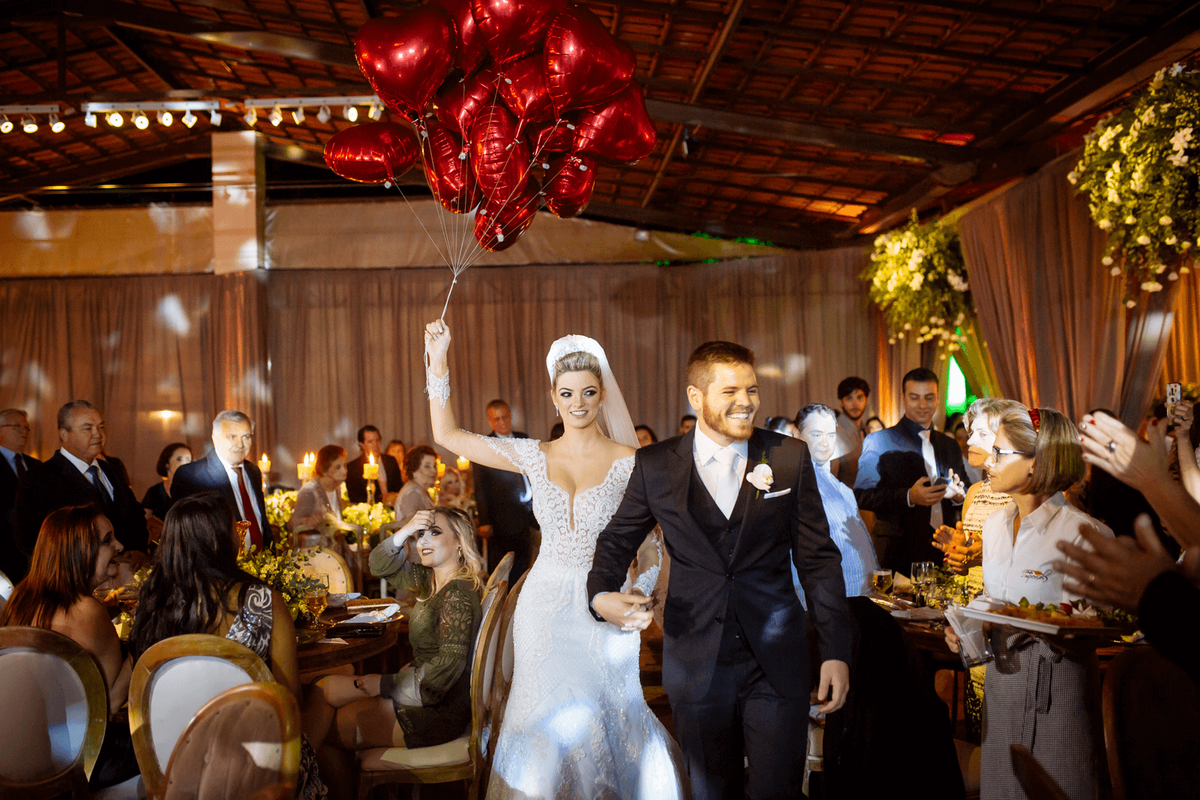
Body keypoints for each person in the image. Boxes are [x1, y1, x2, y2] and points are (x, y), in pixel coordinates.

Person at [424, 320, 687, 799]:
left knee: (602, 716)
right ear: (554, 398)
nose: (578, 404)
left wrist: (642, 592)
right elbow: (447, 433)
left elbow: (664, 540)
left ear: (602, 393)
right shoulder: (531, 455)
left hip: (603, 607)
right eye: (567, 394)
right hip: (542, 605)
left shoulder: (633, 461)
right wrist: (438, 360)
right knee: (538, 721)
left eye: (588, 392)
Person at [589, 340, 851, 800]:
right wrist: (600, 595)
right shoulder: (655, 465)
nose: (746, 401)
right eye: (730, 391)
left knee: (777, 791)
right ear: (696, 397)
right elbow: (615, 542)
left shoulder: (788, 457)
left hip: (776, 660)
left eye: (751, 389)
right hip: (696, 661)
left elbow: (818, 559)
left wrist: (835, 650)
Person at [944, 406, 1111, 800]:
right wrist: (967, 628)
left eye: (1000, 453)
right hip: (1002, 692)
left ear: (1038, 463)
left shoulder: (1083, 533)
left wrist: (1026, 622)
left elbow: (1096, 627)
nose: (990, 461)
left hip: (1057, 697)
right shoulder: (994, 527)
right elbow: (993, 596)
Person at [129, 494, 326, 798]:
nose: (239, 532)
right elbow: (288, 700)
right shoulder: (261, 601)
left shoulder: (151, 607)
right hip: (256, 770)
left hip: (173, 771)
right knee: (320, 703)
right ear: (219, 539)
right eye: (234, 526)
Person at [303, 508, 483, 800]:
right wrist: (405, 529)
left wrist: (384, 684)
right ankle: (303, 781)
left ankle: (305, 784)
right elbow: (379, 564)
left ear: (460, 543)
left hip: (434, 711)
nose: (423, 540)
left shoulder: (457, 595)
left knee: (322, 733)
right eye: (421, 533)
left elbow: (445, 671)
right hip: (416, 690)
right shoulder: (431, 579)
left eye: (435, 533)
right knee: (321, 689)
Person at [0, 505, 139, 790]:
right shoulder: (87, 610)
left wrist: (108, 607)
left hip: (23, 754)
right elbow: (111, 702)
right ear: (79, 551)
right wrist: (144, 638)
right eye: (107, 540)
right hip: (82, 759)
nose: (120, 545)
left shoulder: (21, 600)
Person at [854, 368, 967, 575]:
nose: (922, 405)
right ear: (904, 398)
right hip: (898, 553)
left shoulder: (948, 445)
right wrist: (909, 496)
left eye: (929, 397)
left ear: (937, 400)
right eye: (915, 398)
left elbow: (965, 487)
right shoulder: (879, 441)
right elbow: (862, 495)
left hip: (945, 550)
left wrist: (959, 496)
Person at [14, 400, 149, 558]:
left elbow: (135, 515)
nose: (98, 434)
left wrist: (138, 549)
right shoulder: (38, 478)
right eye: (87, 428)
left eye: (101, 427)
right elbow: (29, 539)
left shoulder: (111, 470)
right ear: (64, 435)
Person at [793, 404, 879, 601]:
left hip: (863, 601)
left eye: (830, 435)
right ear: (796, 435)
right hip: (825, 607)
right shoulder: (794, 487)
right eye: (816, 434)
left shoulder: (843, 490)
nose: (825, 442)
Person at [171, 410, 271, 551]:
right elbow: (186, 535)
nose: (240, 445)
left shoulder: (253, 472)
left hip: (263, 565)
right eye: (232, 437)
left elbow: (261, 522)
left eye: (246, 437)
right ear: (215, 439)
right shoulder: (191, 476)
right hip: (220, 568)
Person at [471, 399, 537, 579]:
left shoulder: (523, 438)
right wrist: (484, 520)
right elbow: (480, 486)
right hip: (501, 516)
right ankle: (502, 604)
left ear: (510, 415)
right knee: (502, 569)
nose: (501, 422)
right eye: (496, 419)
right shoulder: (485, 445)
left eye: (505, 417)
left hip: (528, 512)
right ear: (490, 420)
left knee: (525, 564)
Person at [0, 408, 39, 582]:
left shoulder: (37, 466)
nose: (23, 431)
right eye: (16, 426)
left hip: (36, 553)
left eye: (26, 427)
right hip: (5, 552)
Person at [289, 444, 347, 534]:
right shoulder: (309, 491)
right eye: (338, 467)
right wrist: (308, 521)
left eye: (345, 466)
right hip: (315, 546)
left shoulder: (337, 488)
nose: (344, 471)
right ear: (324, 470)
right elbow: (292, 524)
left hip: (333, 546)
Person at [346, 425, 402, 505]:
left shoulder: (391, 461)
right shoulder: (352, 468)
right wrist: (382, 499)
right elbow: (355, 498)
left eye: (377, 440)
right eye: (370, 441)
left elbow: (399, 487)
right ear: (361, 444)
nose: (375, 445)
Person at [832, 376, 872, 488]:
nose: (855, 404)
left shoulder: (866, 430)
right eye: (849, 398)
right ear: (841, 402)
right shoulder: (834, 433)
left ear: (867, 400)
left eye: (859, 398)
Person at [140, 442, 192, 523]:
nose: (185, 464)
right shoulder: (154, 492)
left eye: (188, 460)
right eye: (179, 459)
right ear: (167, 464)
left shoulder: (194, 491)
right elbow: (144, 522)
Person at [394, 445, 438, 527]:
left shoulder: (421, 490)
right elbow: (411, 528)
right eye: (427, 466)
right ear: (414, 470)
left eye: (434, 466)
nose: (434, 471)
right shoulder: (412, 493)